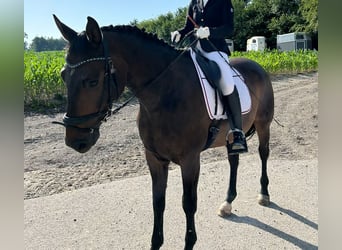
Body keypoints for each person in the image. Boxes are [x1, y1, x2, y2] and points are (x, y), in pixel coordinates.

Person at [170, 0, 247, 155]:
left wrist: (210, 32)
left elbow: (228, 28)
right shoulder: (194, 2)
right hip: (194, 50)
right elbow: (189, 27)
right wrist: (180, 33)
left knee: (226, 82)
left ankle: (238, 133)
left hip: (215, 50)